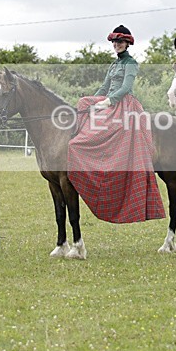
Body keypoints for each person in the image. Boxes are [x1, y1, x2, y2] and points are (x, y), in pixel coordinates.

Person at [67, 25, 165, 223]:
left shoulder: (131, 63)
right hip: (108, 100)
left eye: (120, 42)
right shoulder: (113, 65)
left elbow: (126, 87)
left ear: (127, 43)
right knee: (82, 103)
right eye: (114, 42)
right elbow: (104, 86)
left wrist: (108, 101)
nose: (116, 45)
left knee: (114, 129)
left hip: (123, 103)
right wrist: (92, 102)